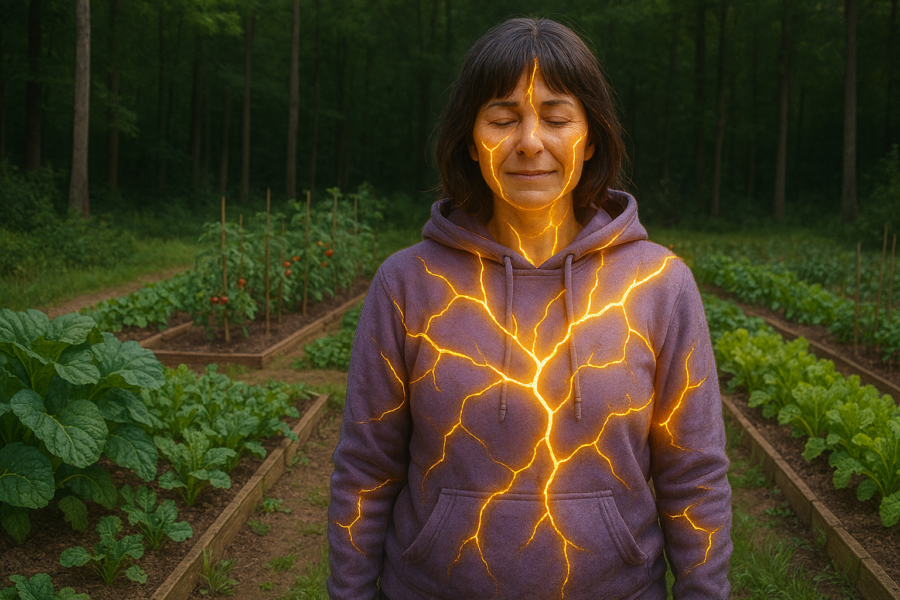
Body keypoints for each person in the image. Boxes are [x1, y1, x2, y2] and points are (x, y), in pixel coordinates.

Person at [327, 17, 732, 600]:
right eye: (503, 118)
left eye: (557, 117)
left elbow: (695, 478)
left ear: (590, 136)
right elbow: (365, 471)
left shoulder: (659, 284)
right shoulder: (408, 283)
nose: (530, 141)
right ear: (470, 137)